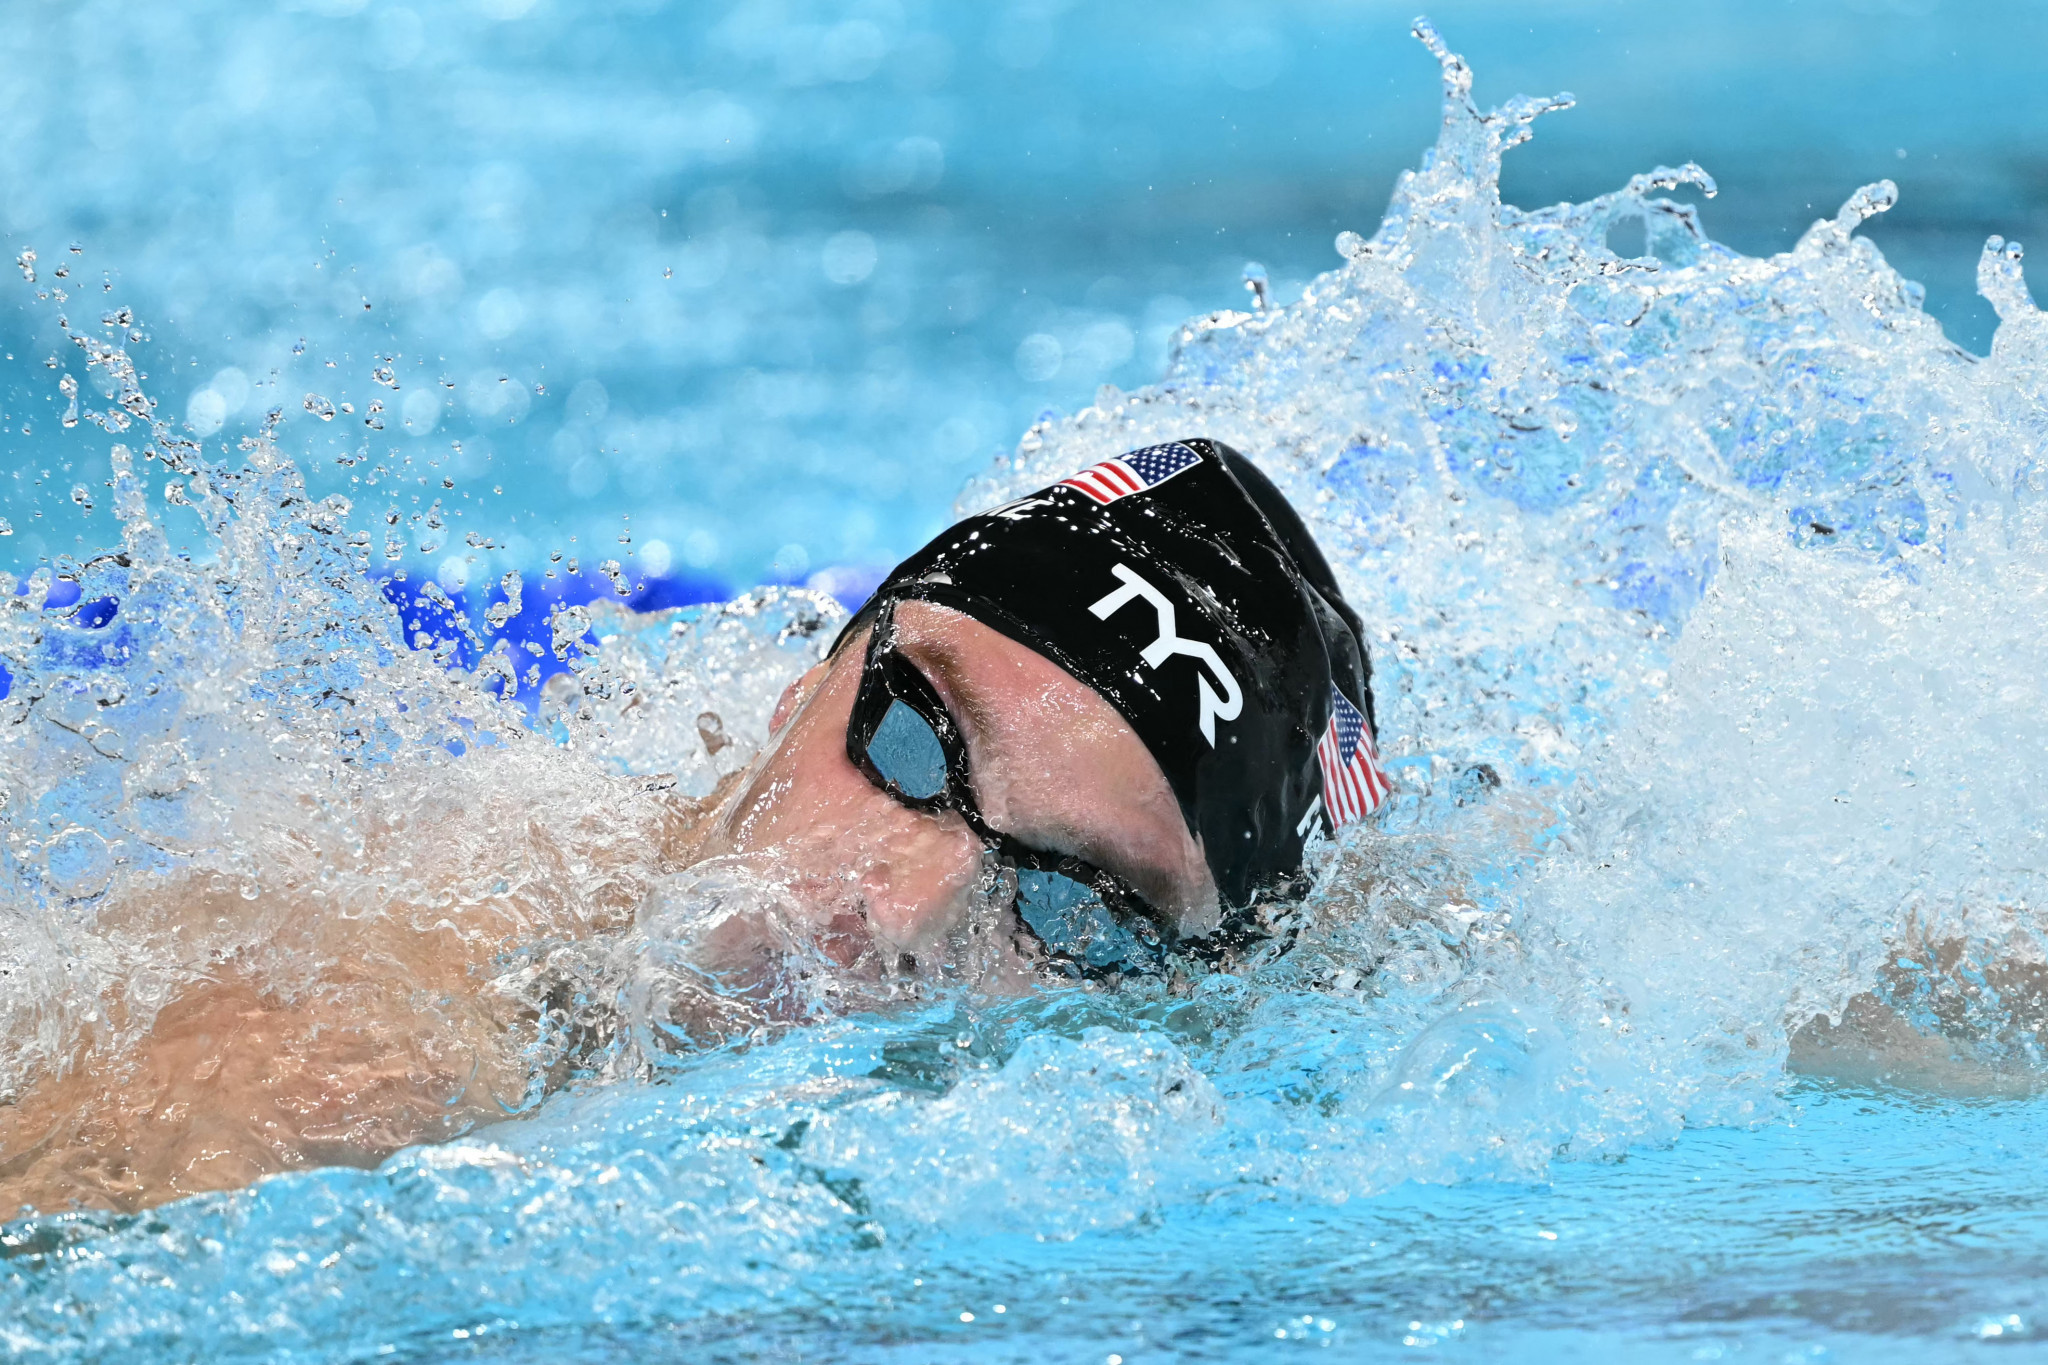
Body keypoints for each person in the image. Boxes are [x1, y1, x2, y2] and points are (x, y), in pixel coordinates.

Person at [0, 438, 1391, 1220]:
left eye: (1079, 907)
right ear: (805, 686)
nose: (899, 908)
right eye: (910, 744)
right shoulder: (371, 1048)